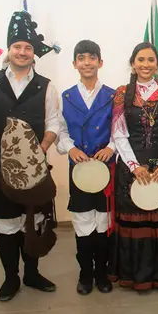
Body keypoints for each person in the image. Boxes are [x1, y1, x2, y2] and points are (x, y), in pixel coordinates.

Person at [0, 10, 61, 302]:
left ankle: (31, 273)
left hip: (35, 169)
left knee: (32, 220)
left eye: (28, 47)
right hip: (0, 169)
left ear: (33, 53)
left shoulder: (46, 85)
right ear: (9, 49)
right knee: (6, 225)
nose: (22, 52)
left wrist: (42, 147)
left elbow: (54, 122)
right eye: (17, 46)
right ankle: (10, 278)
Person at [108, 42, 158, 291]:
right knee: (133, 220)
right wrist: (133, 165)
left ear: (157, 64)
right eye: (141, 60)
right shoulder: (121, 93)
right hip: (131, 167)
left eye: (150, 60)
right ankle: (133, 275)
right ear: (132, 63)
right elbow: (118, 134)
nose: (146, 65)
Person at [57, 40, 115, 295]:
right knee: (82, 221)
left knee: (103, 220)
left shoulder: (114, 95)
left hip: (106, 169)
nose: (87, 62)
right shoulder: (66, 96)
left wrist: (111, 147)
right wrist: (70, 148)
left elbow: (121, 129)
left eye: (92, 57)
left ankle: (102, 272)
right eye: (81, 58)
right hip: (79, 168)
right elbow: (60, 130)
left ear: (100, 62)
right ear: (74, 64)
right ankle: (85, 274)